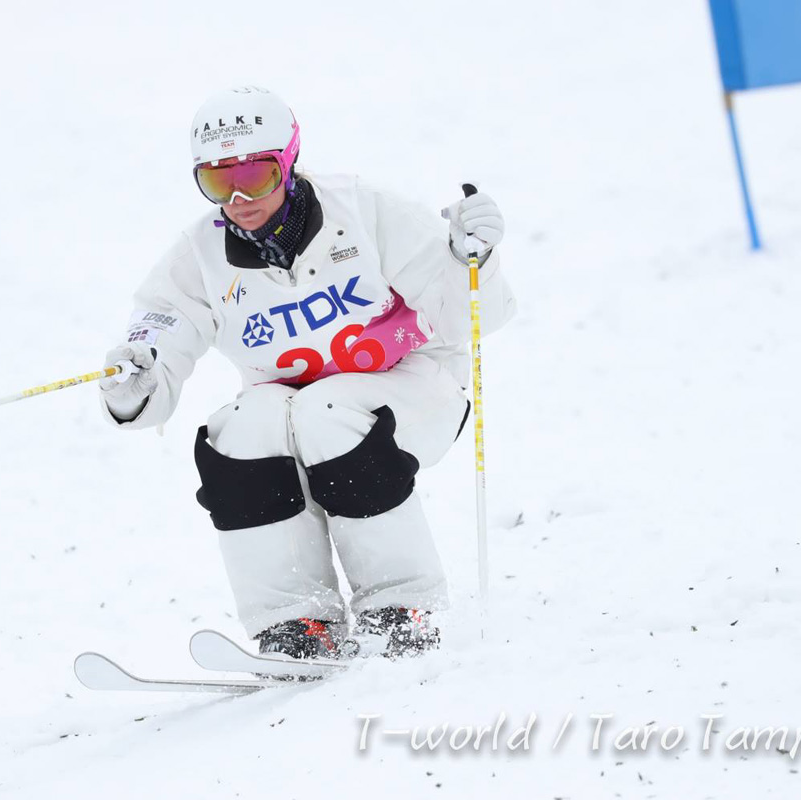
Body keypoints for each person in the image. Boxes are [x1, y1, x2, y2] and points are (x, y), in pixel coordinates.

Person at [98, 86, 516, 660]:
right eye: (220, 182)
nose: (241, 196)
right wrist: (133, 384)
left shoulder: (364, 211)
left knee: (326, 412)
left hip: (416, 392)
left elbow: (477, 315)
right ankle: (297, 622)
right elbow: (156, 347)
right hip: (296, 414)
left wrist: (475, 260)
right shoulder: (199, 256)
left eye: (257, 175)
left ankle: (402, 606)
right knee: (238, 431)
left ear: (289, 162)